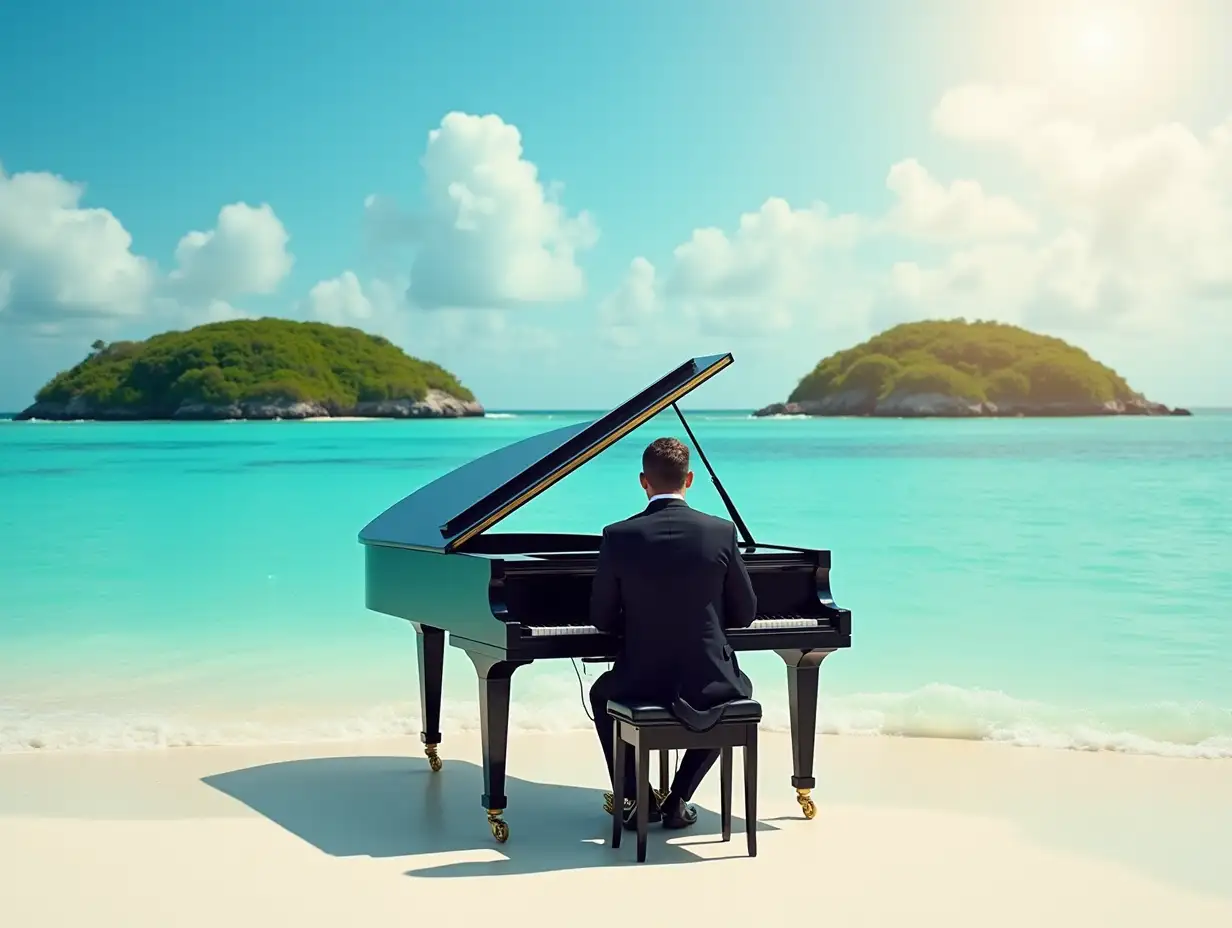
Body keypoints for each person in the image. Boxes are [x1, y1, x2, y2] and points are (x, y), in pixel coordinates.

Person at [588, 436, 757, 830]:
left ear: (643, 481)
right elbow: (746, 612)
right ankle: (678, 799)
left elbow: (601, 617)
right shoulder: (720, 531)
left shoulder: (618, 536)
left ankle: (634, 798)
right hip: (708, 680)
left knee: (601, 694)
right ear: (690, 479)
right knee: (740, 689)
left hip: (641, 682)